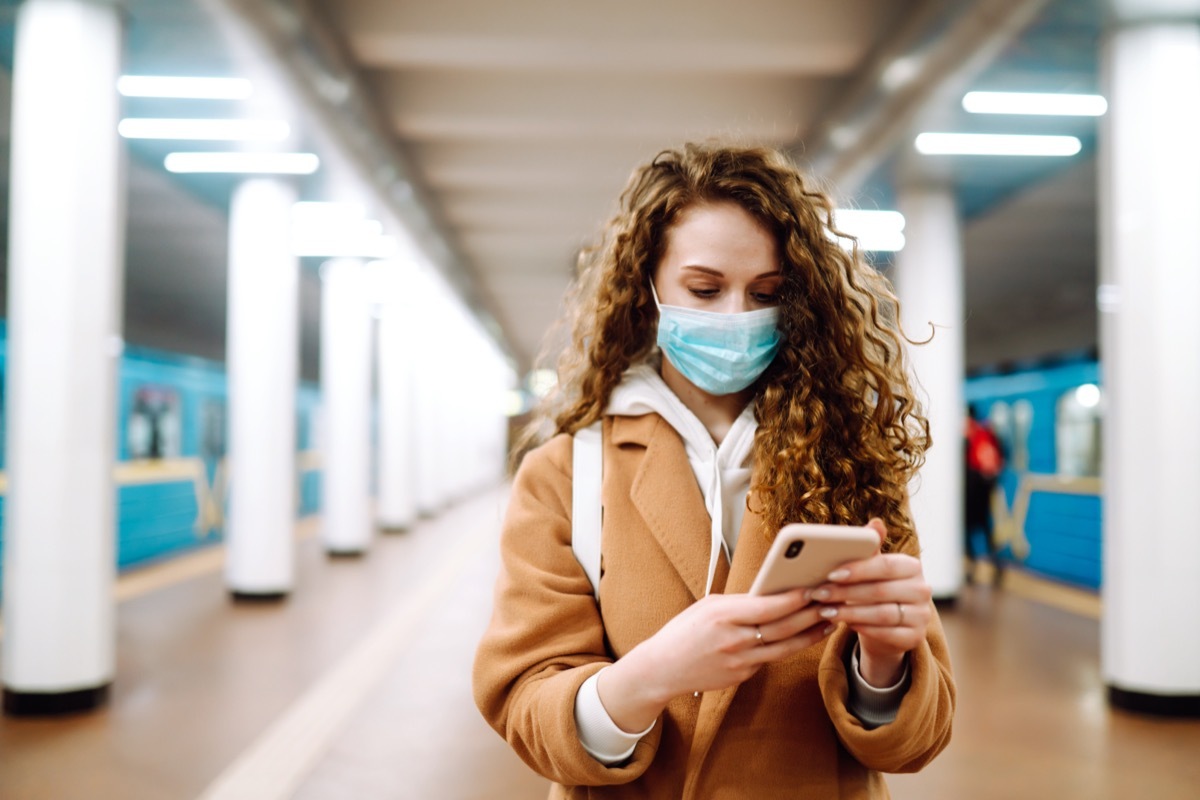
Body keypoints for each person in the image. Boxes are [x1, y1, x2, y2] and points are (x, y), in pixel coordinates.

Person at [473, 142, 955, 798]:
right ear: (647, 291)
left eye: (767, 294)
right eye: (704, 289)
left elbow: (918, 741)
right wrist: (647, 678)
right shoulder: (566, 473)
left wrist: (884, 663)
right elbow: (524, 702)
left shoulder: (848, 459)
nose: (736, 317)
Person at [964, 403, 1004, 584]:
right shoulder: (986, 433)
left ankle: (973, 567)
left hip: (972, 491)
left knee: (969, 528)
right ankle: (996, 564)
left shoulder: (971, 435)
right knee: (985, 527)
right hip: (984, 490)